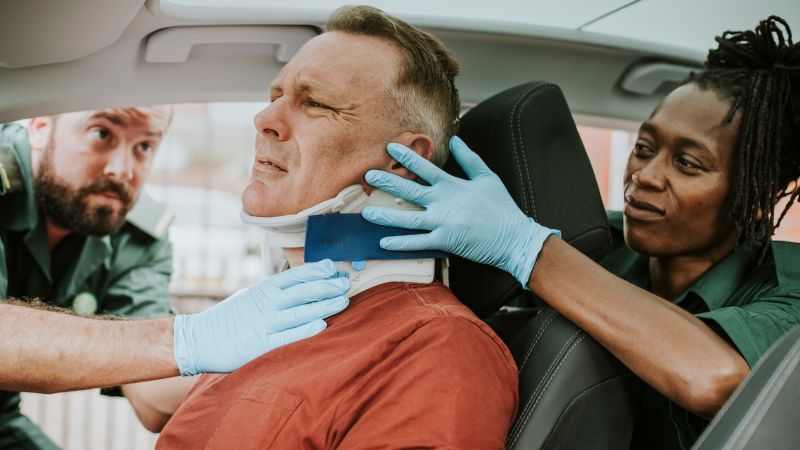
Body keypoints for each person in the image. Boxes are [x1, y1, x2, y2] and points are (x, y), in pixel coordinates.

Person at [362, 16, 800, 449]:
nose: (645, 175)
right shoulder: (594, 242)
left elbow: (718, 380)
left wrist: (527, 248)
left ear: (757, 196)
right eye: (644, 148)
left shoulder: (789, 288)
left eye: (688, 163)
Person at [138, 6, 517, 449]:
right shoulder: (269, 318)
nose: (264, 119)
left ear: (404, 163)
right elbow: (154, 402)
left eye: (315, 103)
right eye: (275, 95)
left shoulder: (437, 349)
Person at [0, 107, 349, 449]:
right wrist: (189, 338)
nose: (123, 170)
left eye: (144, 146)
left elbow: (150, 398)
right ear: (40, 126)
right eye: (102, 134)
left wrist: (275, 363)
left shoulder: (133, 235)